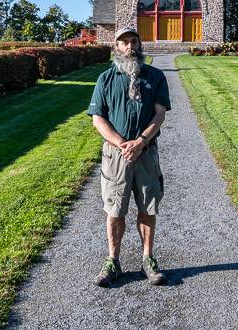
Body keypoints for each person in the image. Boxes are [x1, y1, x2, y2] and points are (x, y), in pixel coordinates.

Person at [87, 27, 171, 287]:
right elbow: (98, 118)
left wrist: (141, 141)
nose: (130, 46)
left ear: (140, 45)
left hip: (146, 153)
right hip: (116, 155)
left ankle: (148, 258)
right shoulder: (106, 79)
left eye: (134, 41)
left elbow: (159, 114)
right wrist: (124, 143)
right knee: (115, 209)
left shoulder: (155, 77)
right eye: (124, 42)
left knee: (148, 206)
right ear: (116, 48)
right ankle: (113, 261)